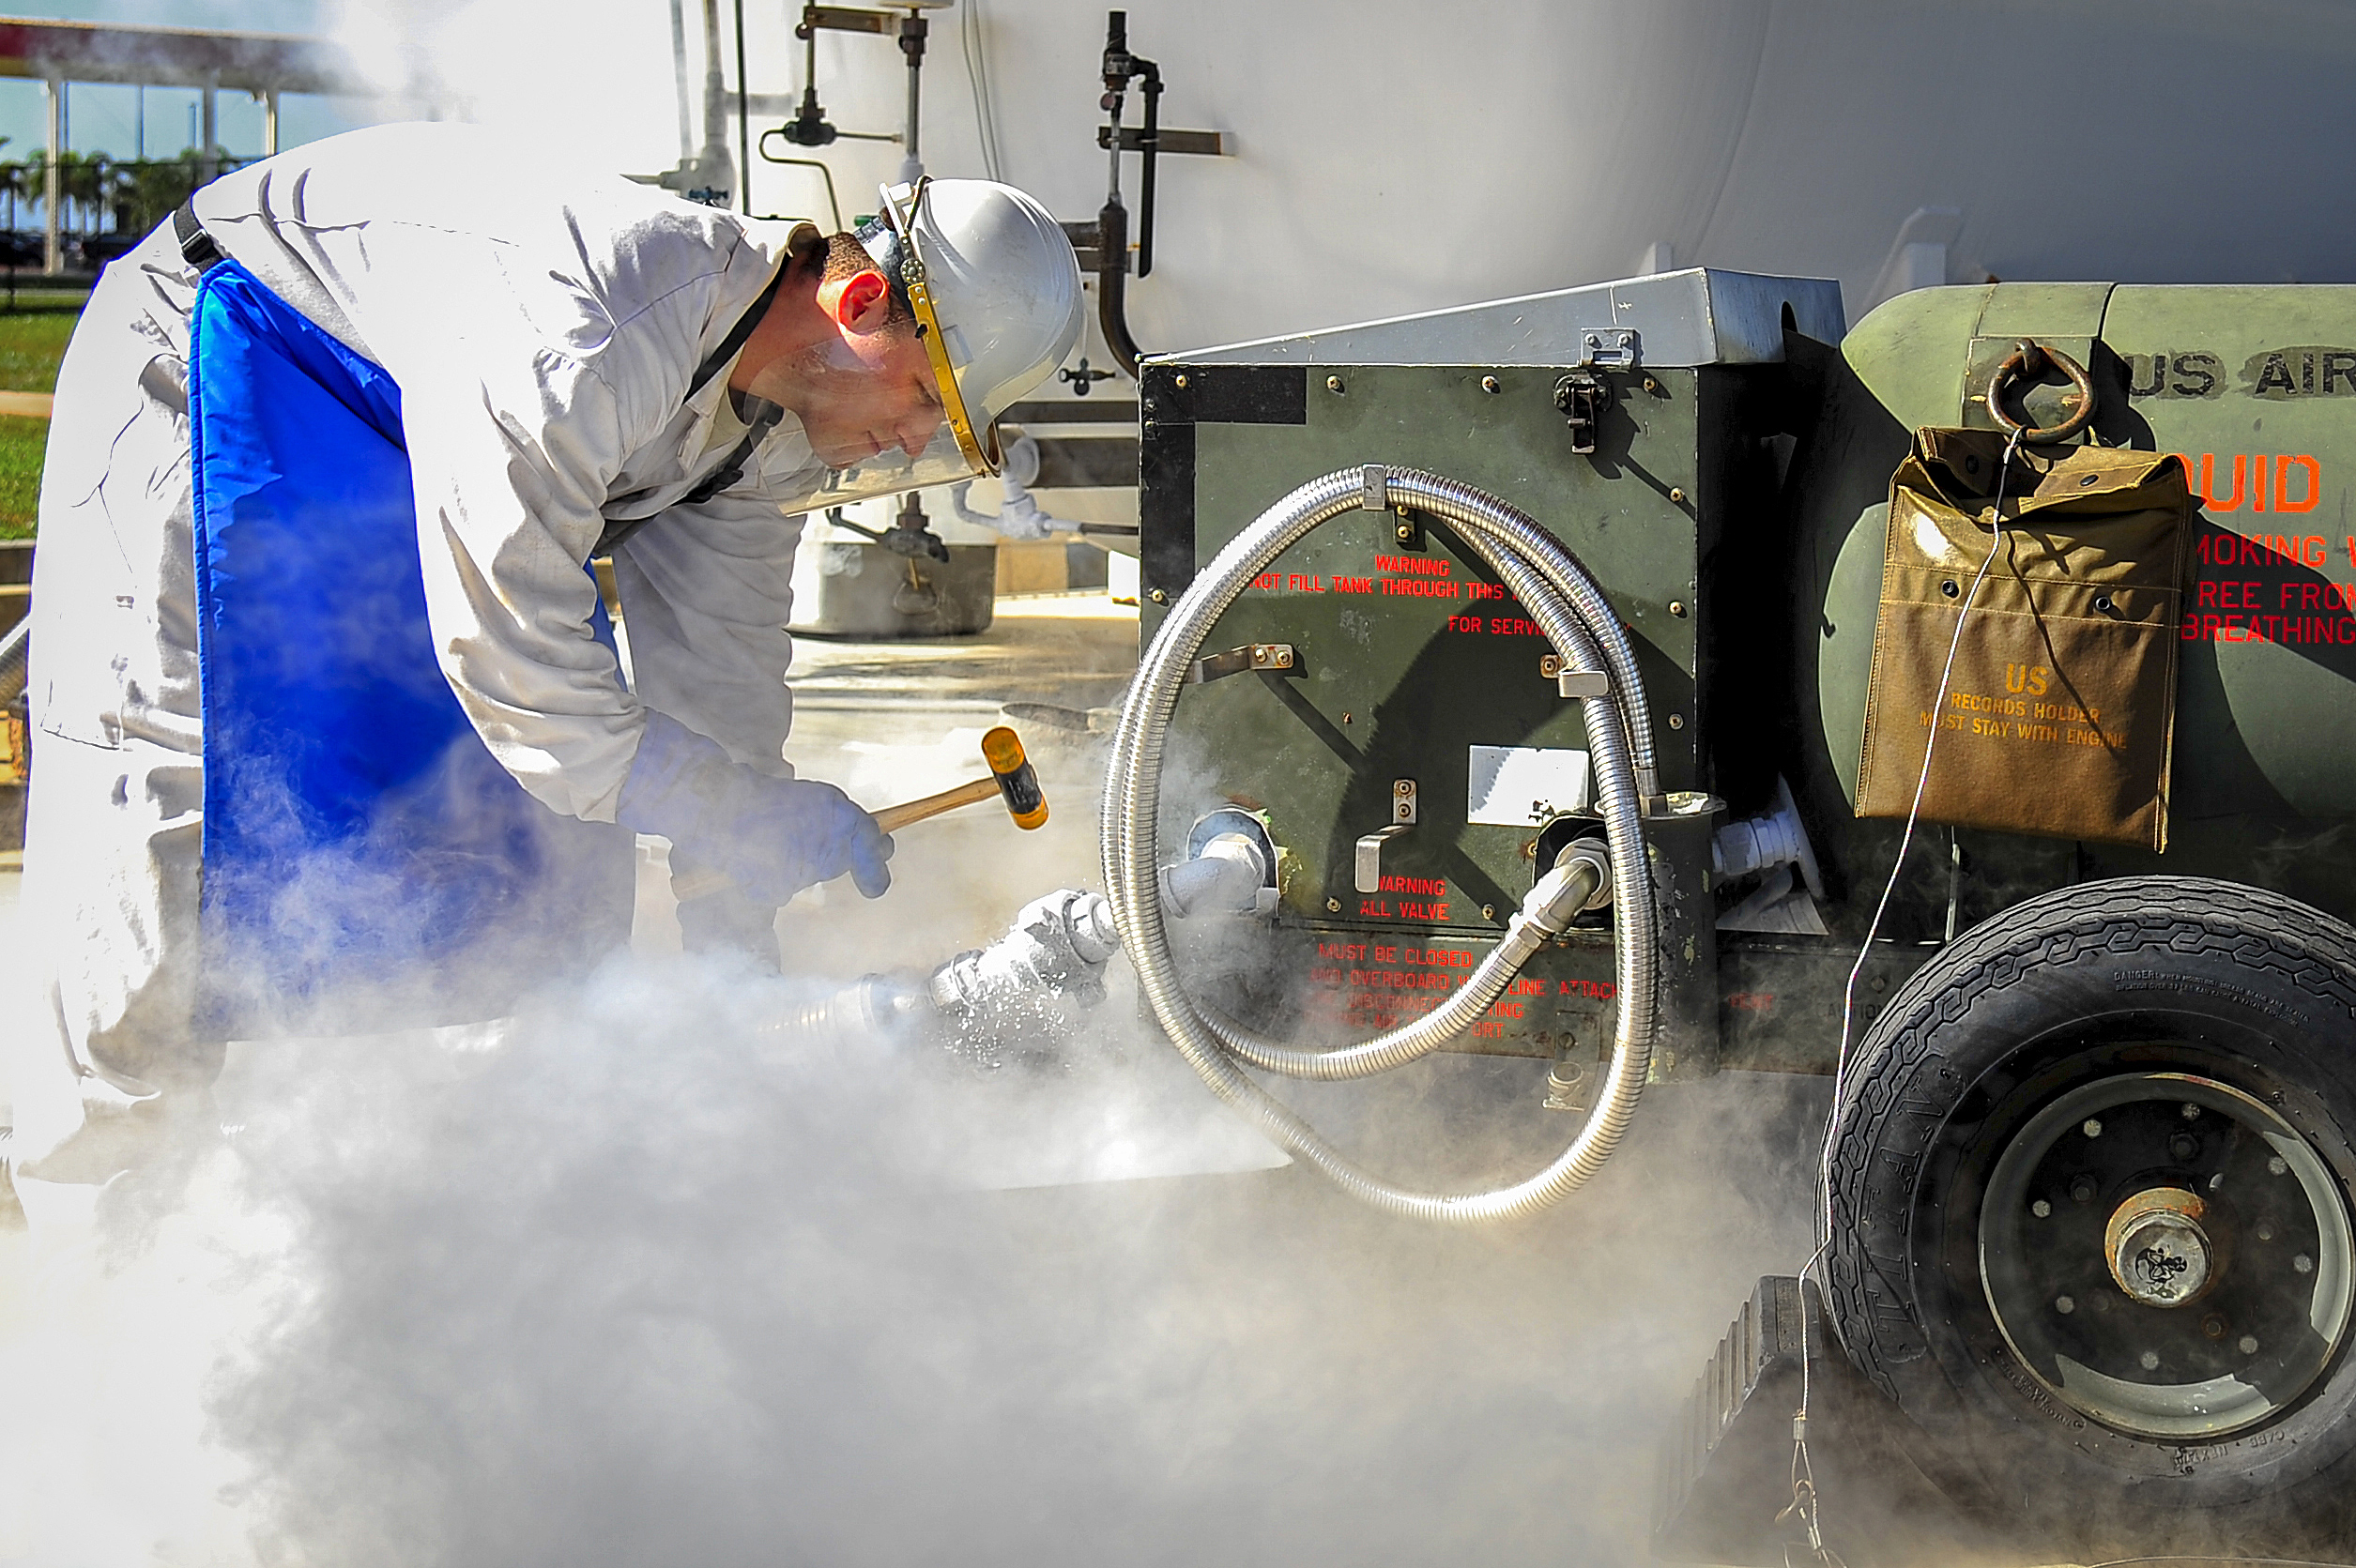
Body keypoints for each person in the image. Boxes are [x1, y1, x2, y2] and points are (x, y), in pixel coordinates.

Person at [5, 121, 1084, 1195]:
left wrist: (733, 930)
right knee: (174, 817)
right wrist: (721, 810)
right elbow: (519, 665)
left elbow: (715, 689)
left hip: (390, 440)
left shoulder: (765, 430)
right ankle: (102, 1223)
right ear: (859, 303)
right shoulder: (594, 329)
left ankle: (413, 1197)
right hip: (221, 354)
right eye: (925, 398)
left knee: (525, 854)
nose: (914, 442)